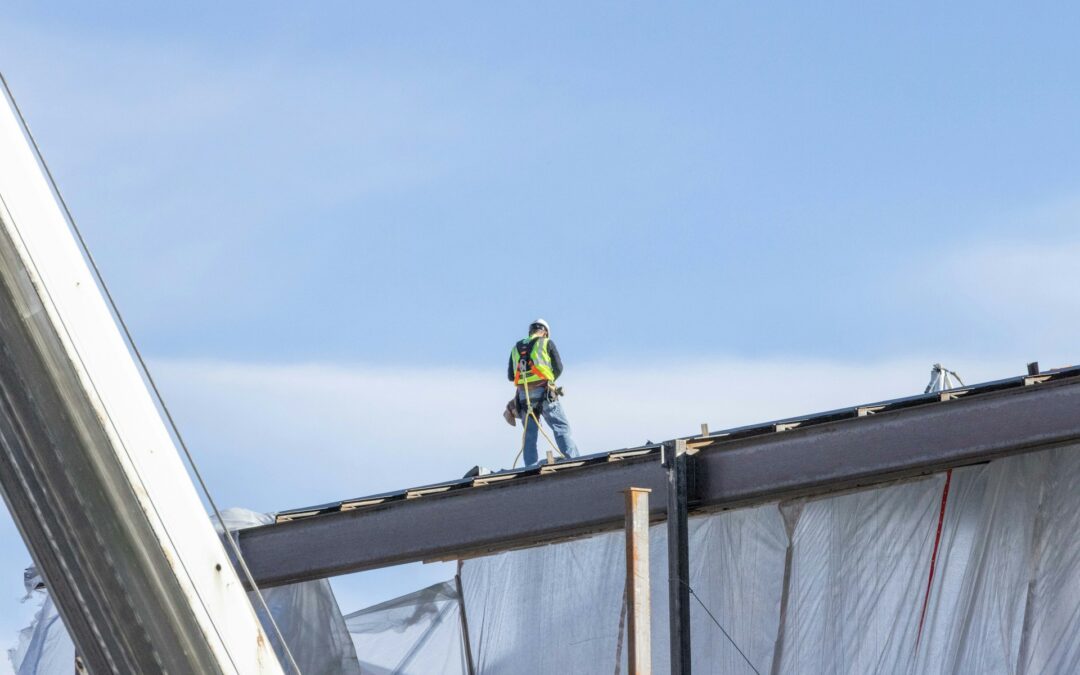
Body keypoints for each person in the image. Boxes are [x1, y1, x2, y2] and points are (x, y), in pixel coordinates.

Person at [507, 319, 579, 466]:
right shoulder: (546, 343)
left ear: (530, 332)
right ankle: (573, 460)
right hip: (544, 391)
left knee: (530, 434)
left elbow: (510, 375)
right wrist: (550, 380)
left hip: (524, 395)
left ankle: (530, 467)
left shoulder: (516, 347)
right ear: (545, 332)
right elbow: (558, 367)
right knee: (561, 427)